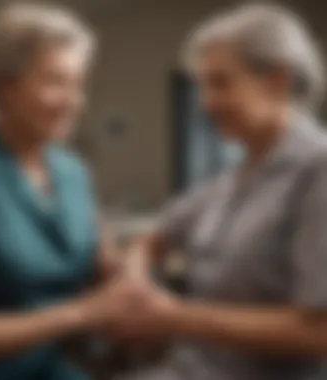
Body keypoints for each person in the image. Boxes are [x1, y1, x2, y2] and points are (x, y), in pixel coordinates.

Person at [115, 3, 327, 380]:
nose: (204, 103)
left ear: (277, 80)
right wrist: (137, 280)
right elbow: (154, 235)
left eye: (220, 83)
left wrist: (175, 317)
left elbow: (319, 331)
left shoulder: (317, 170)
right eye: (203, 86)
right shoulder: (237, 173)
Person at [0, 3, 139, 380]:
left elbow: (102, 261)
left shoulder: (73, 172)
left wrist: (131, 273)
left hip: (68, 364)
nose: (74, 103)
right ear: (5, 86)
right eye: (55, 82)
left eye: (78, 84)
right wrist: (83, 313)